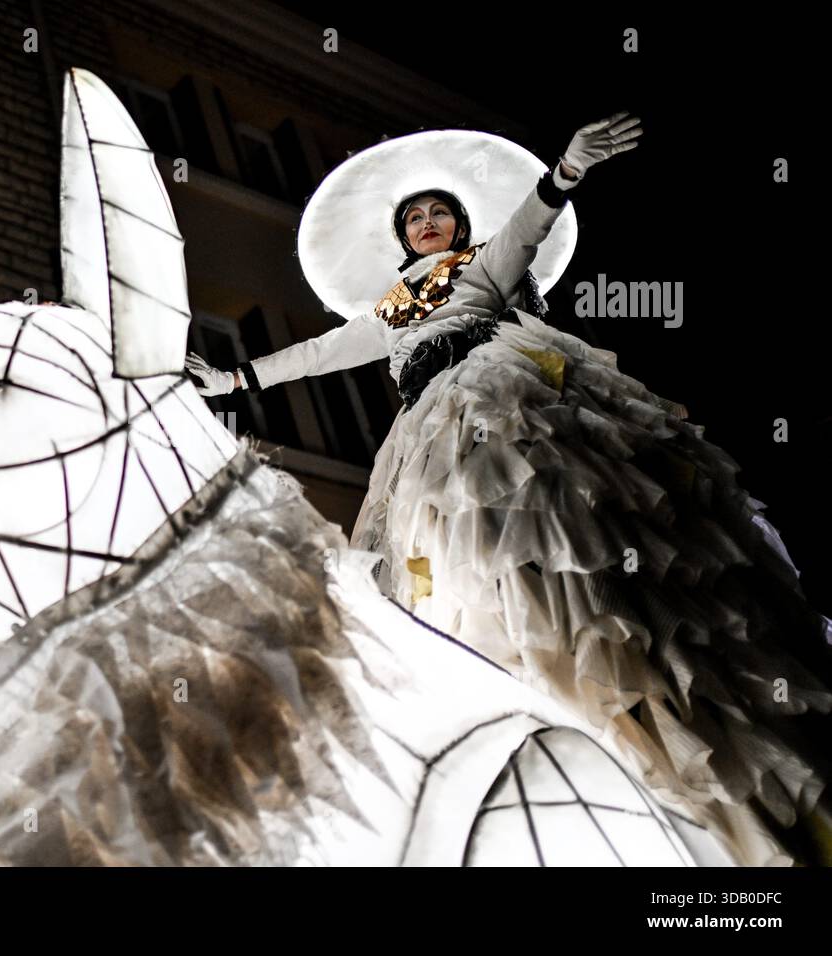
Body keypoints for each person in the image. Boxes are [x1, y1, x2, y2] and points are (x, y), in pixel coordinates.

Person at [185, 114, 832, 865]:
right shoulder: (395, 307)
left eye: (438, 212)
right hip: (428, 430)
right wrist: (237, 379)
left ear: (459, 224)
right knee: (466, 555)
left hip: (500, 392)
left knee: (555, 522)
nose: (427, 224)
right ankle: (539, 691)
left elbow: (527, 227)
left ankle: (627, 670)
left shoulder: (479, 270)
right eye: (415, 218)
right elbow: (325, 350)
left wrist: (565, 170)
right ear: (403, 237)